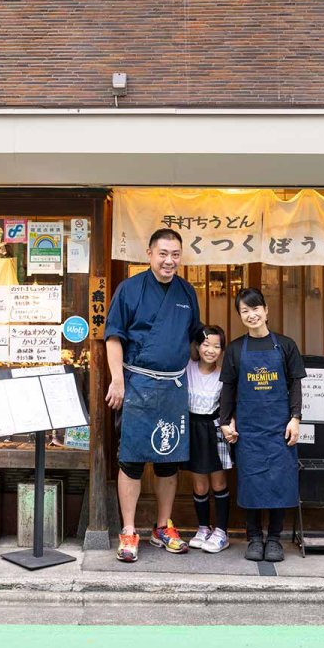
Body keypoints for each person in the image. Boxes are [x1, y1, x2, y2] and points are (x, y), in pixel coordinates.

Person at [105, 228, 201, 563]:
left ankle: (162, 527)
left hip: (173, 386)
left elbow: (194, 340)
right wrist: (117, 380)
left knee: (169, 461)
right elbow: (113, 337)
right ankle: (129, 531)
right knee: (130, 460)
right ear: (149, 254)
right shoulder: (129, 289)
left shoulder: (187, 292)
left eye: (175, 254)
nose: (169, 261)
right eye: (163, 253)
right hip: (138, 384)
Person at [219, 287, 304, 563]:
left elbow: (295, 386)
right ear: (240, 316)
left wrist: (295, 418)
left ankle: (275, 538)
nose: (251, 314)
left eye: (256, 308)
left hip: (279, 428)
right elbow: (228, 390)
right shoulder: (234, 349)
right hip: (249, 430)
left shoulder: (286, 345)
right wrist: (224, 422)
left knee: (279, 481)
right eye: (245, 311)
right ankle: (254, 537)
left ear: (266, 310)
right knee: (251, 481)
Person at [184, 325, 232, 554]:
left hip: (214, 429)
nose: (211, 350)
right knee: (199, 483)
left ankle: (222, 531)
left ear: (222, 350)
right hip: (192, 428)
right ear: (197, 345)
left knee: (219, 482)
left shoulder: (223, 375)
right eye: (206, 344)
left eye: (216, 346)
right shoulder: (187, 368)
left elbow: (230, 406)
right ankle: (203, 527)